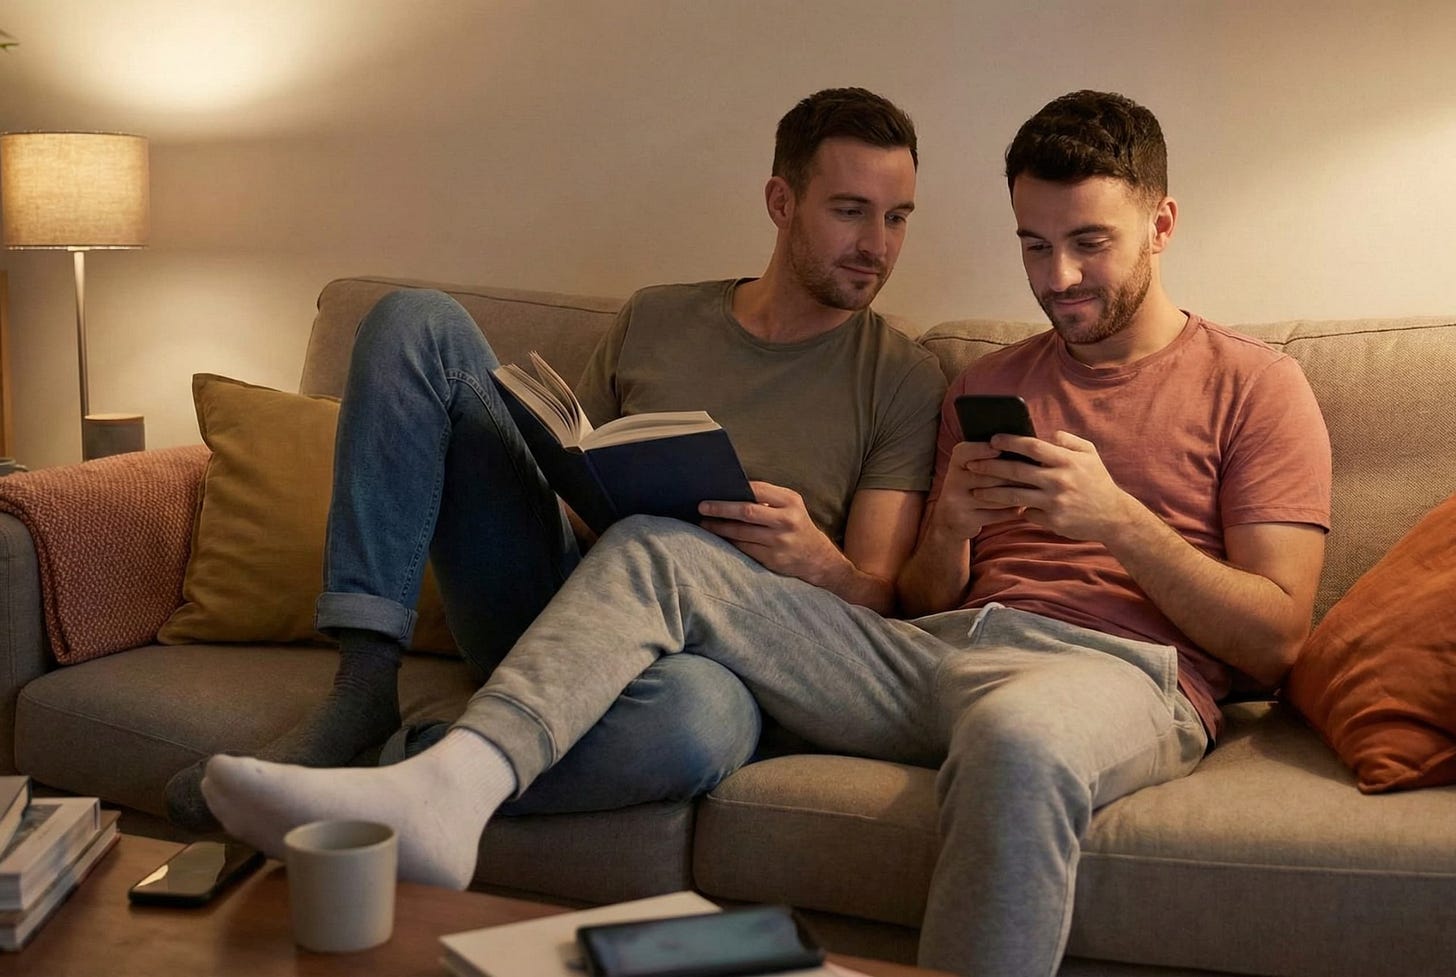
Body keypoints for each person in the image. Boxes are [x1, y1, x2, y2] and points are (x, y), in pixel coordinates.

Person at [199, 90, 1332, 977]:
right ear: (781, 203)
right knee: (656, 545)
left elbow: (1278, 641)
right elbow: (921, 597)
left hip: (1110, 674)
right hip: (936, 654)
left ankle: (418, 761)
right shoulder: (984, 379)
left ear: (1163, 223)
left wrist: (1118, 522)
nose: (1059, 278)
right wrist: (953, 527)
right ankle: (444, 790)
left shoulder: (1254, 384)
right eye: (1034, 247)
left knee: (1022, 738)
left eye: (1088, 243)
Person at [164, 86, 945, 831]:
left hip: (708, 665)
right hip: (553, 599)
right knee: (414, 319)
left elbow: (881, 606)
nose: (878, 246)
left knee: (697, 728)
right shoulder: (657, 316)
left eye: (899, 218)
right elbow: (571, 484)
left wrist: (817, 560)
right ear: (782, 203)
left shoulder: (902, 378)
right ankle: (363, 689)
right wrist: (577, 481)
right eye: (851, 212)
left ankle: (390, 779)